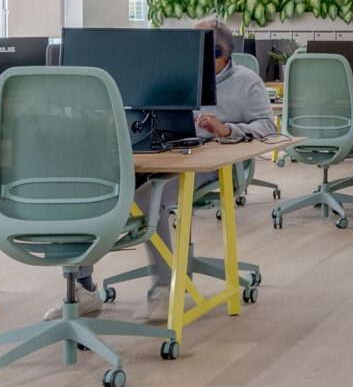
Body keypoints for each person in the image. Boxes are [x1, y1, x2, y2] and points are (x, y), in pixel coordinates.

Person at [77, 21, 278, 323]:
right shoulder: (173, 76)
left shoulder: (247, 82)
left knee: (148, 199)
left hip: (212, 163)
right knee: (91, 187)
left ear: (217, 52)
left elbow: (267, 127)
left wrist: (226, 129)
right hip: (162, 152)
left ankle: (166, 288)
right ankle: (82, 287)